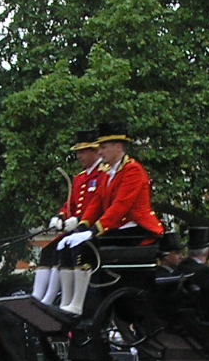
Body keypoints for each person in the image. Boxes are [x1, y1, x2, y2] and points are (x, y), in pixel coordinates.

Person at [56, 121, 164, 315]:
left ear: (118, 147)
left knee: (85, 248)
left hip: (137, 229)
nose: (100, 152)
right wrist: (82, 227)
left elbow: (120, 207)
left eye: (104, 147)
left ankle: (79, 304)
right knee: (67, 247)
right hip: (117, 229)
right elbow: (96, 203)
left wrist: (93, 232)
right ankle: (67, 300)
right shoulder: (107, 172)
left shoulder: (133, 170)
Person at [31, 130, 103, 307]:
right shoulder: (80, 178)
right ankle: (39, 296)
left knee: (62, 247)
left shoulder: (103, 174)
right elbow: (70, 204)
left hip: (93, 230)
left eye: (83, 151)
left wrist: (78, 222)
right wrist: (61, 217)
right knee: (48, 246)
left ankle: (52, 297)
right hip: (76, 227)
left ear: (95, 151)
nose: (79, 156)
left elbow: (100, 206)